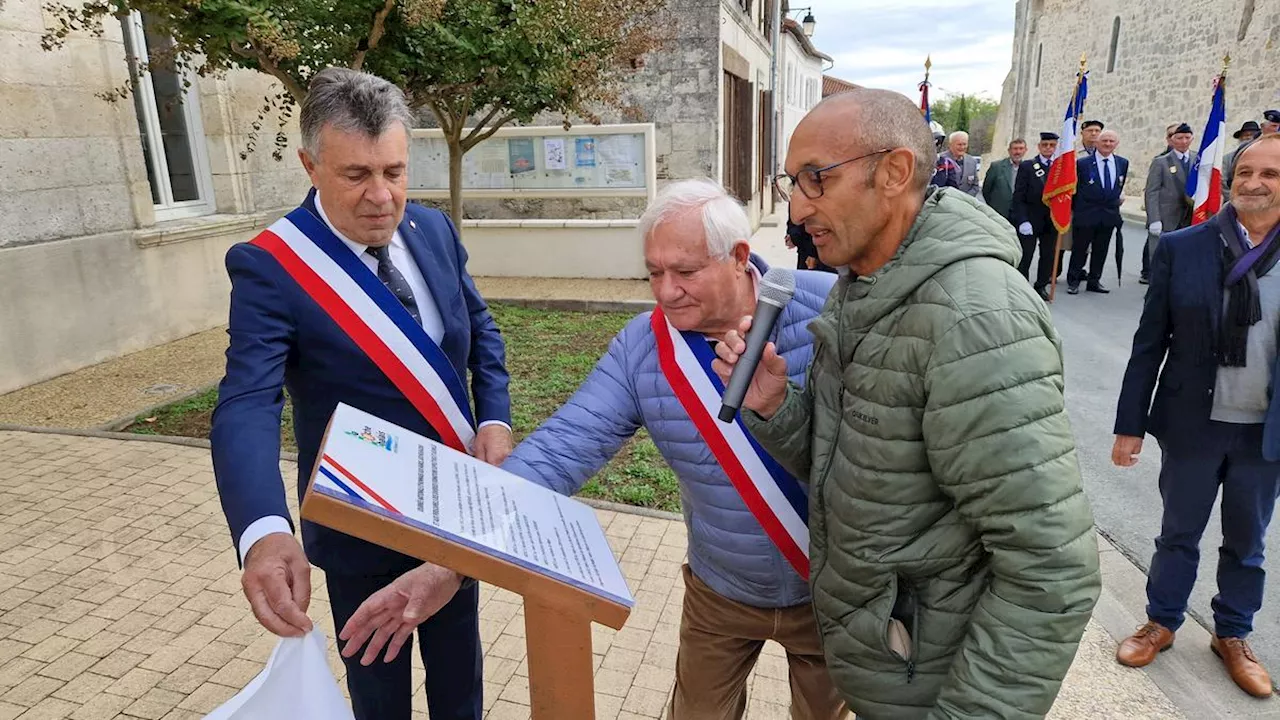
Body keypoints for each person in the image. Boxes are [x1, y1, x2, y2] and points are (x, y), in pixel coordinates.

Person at [713, 88, 1100, 718]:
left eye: (816, 179)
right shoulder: (869, 280)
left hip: (935, 686)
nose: (799, 206)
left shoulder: (975, 319)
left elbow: (1051, 568)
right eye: (793, 183)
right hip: (887, 668)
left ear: (893, 172)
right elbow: (869, 468)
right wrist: (779, 407)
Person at [209, 68, 513, 720]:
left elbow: (481, 332)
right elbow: (247, 402)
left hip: (452, 519)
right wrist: (263, 532)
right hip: (360, 532)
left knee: (462, 685)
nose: (382, 196)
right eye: (356, 176)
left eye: (395, 171)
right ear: (310, 165)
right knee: (380, 702)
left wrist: (497, 419)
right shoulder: (272, 267)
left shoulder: (434, 231)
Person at [502, 179, 849, 720]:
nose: (665, 292)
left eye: (685, 272)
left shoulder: (829, 305)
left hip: (834, 594)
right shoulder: (642, 345)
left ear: (738, 257)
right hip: (722, 588)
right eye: (654, 272)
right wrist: (468, 528)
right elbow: (566, 442)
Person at [1112, 135, 1280, 699]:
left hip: (1265, 432)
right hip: (1193, 423)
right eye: (1245, 170)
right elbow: (1148, 342)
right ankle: (1162, 621)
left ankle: (1232, 634)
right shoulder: (1184, 248)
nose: (1254, 182)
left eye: (1271, 173)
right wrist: (1130, 423)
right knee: (1177, 533)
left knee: (1246, 541)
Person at [1067, 129, 1128, 294]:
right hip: (1087, 213)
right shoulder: (1083, 163)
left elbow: (1119, 184)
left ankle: (1094, 280)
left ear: (1116, 144)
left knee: (1101, 249)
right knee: (1080, 249)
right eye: (1104, 141)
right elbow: (1076, 190)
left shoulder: (1122, 163)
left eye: (1111, 141)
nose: (1108, 144)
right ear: (1097, 143)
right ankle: (1073, 280)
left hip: (1109, 214)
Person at [1143, 123, 1198, 281]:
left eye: (1187, 137)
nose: (1183, 141)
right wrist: (1154, 219)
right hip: (1166, 217)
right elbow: (1151, 192)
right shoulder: (1161, 162)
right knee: (1160, 259)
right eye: (1179, 138)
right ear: (1171, 140)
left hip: (1189, 217)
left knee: (1184, 257)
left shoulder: (1198, 159)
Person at [1012, 131, 1061, 300]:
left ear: (1056, 147)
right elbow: (1019, 196)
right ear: (1039, 147)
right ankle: (1021, 287)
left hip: (1051, 220)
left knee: (1048, 256)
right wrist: (1023, 220)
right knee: (1026, 256)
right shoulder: (1027, 166)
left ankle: (1041, 286)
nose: (1048, 148)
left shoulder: (1061, 167)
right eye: (1045, 145)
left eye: (1052, 145)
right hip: (1031, 219)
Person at [982, 137, 1026, 222]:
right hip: (999, 213)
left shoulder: (1028, 168)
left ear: (1025, 150)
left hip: (1018, 215)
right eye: (1015, 149)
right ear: (1009, 150)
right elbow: (986, 190)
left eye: (1021, 149)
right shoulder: (996, 167)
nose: (1018, 152)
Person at [1224, 121, 1263, 200]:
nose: (1248, 137)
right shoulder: (1227, 159)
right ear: (1240, 138)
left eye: (1252, 134)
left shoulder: (1265, 157)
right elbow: (1222, 181)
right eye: (1245, 135)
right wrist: (1233, 198)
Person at [940, 130, 981, 198]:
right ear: (950, 145)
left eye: (964, 144)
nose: (962, 147)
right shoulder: (940, 160)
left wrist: (964, 198)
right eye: (959, 144)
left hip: (965, 203)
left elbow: (975, 186)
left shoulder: (972, 161)